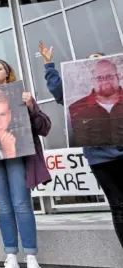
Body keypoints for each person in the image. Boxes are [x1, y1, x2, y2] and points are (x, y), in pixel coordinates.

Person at [39, 42, 123, 249]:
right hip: (101, 160)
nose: (103, 79)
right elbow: (59, 91)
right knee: (119, 207)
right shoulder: (79, 105)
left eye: (107, 74)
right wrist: (49, 65)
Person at [0, 59, 52, 268]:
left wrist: (31, 106)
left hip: (18, 157)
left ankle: (31, 255)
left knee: (22, 205)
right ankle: (11, 255)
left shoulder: (22, 95)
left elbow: (44, 127)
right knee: (4, 208)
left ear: (7, 73)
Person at [66, 58, 123, 146]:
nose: (105, 81)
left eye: (109, 76)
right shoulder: (75, 110)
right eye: (99, 78)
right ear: (92, 81)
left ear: (118, 77)